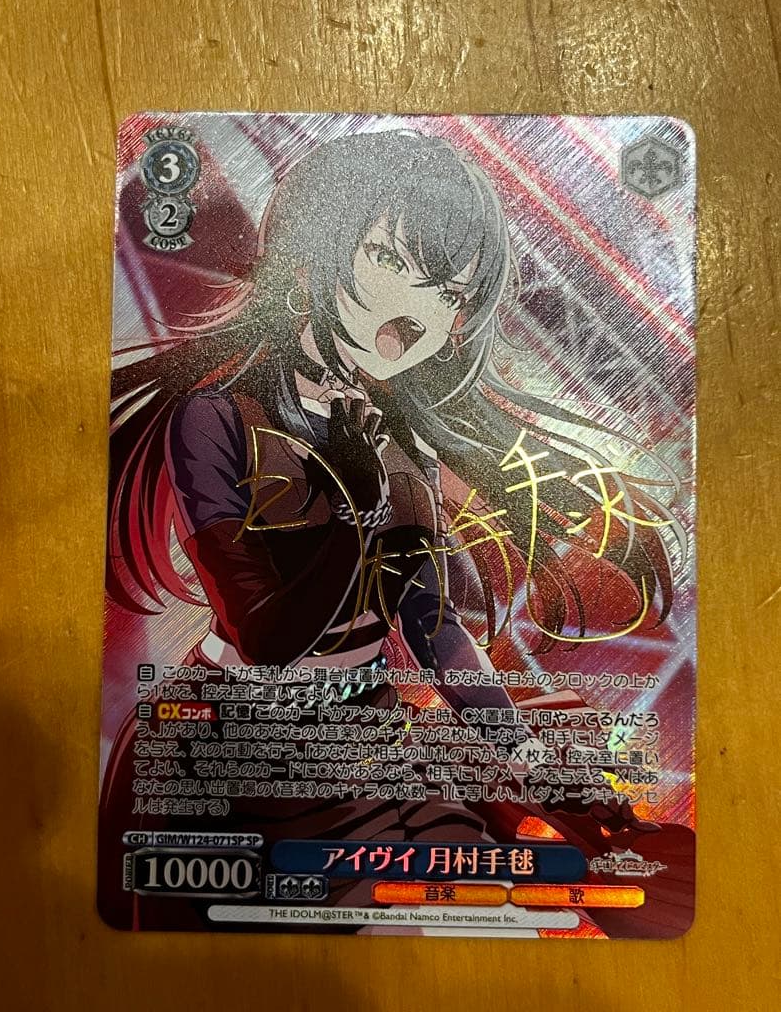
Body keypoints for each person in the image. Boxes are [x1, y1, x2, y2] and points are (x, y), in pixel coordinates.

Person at [100, 129, 681, 931]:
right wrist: (358, 506)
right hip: (230, 752)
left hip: (367, 743)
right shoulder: (217, 419)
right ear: (313, 251)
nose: (419, 311)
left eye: (449, 293)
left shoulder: (400, 447)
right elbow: (265, 636)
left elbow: (434, 626)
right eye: (390, 261)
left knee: (466, 913)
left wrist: (525, 755)